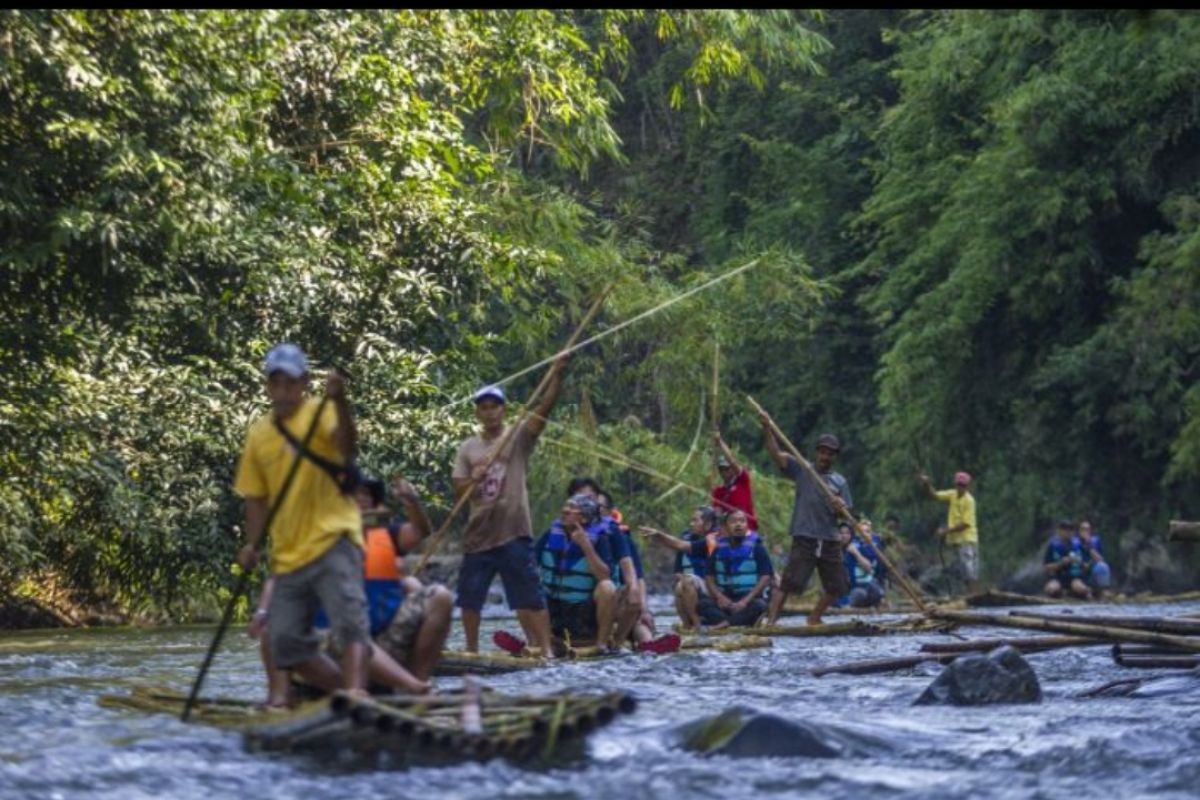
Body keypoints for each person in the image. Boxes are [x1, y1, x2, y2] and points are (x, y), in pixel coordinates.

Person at [235, 343, 369, 708]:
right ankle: (343, 692)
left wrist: (339, 400)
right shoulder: (260, 435)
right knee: (284, 642)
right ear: (267, 386)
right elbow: (255, 497)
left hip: (333, 536)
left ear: (304, 383)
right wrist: (252, 544)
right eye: (274, 383)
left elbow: (346, 448)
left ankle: (356, 690)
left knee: (348, 620)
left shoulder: (320, 413)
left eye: (289, 383)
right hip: (288, 551)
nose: (282, 391)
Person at [451, 356, 568, 656]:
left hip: (514, 532)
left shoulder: (517, 436)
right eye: (484, 407)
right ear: (478, 412)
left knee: (529, 594)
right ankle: (471, 649)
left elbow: (543, 411)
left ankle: (545, 650)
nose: (489, 412)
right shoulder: (468, 447)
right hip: (479, 535)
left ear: (504, 410)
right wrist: (473, 480)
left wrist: (556, 375)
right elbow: (459, 490)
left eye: (495, 406)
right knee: (469, 597)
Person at [759, 413, 852, 627]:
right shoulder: (803, 469)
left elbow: (847, 515)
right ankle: (771, 622)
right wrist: (767, 428)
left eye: (830, 453)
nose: (825, 456)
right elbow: (776, 454)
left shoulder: (839, 481)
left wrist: (840, 508)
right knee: (790, 582)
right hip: (805, 536)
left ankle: (814, 617)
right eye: (822, 452)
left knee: (838, 585)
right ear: (817, 452)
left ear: (834, 457)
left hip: (829, 539)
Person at [533, 494, 619, 652]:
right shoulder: (551, 533)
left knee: (607, 587)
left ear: (585, 518)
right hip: (553, 607)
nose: (565, 510)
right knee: (524, 584)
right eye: (566, 506)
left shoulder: (600, 538)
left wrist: (586, 546)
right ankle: (537, 641)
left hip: (583, 610)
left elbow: (604, 576)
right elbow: (530, 562)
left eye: (573, 508)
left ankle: (601, 644)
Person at [639, 505, 719, 629]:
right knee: (680, 586)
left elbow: (681, 545)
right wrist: (682, 580)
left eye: (695, 520)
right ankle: (687, 625)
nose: (691, 524)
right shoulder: (686, 536)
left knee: (687, 581)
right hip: (691, 584)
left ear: (708, 524)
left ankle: (697, 624)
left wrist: (659, 535)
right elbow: (678, 570)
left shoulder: (714, 539)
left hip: (713, 586)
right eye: (691, 520)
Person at [698, 510, 774, 628]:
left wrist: (744, 602)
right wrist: (720, 597)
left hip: (748, 599)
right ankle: (737, 621)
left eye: (742, 521)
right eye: (733, 521)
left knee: (760, 606)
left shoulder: (757, 548)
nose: (738, 524)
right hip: (725, 599)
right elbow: (709, 576)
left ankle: (725, 623)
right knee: (702, 604)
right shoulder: (717, 548)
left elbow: (765, 577)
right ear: (725, 527)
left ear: (746, 526)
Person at [919, 471, 980, 595]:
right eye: (958, 484)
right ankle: (969, 594)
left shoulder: (969, 500)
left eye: (962, 485)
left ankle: (974, 595)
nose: (960, 487)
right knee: (962, 570)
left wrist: (945, 531)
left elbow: (965, 524)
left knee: (969, 569)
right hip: (955, 540)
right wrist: (927, 484)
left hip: (967, 539)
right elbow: (934, 495)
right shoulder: (952, 494)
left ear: (967, 486)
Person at [711, 431, 758, 530]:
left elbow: (732, 461)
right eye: (722, 469)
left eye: (727, 468)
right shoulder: (718, 492)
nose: (725, 472)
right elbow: (717, 513)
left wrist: (720, 443)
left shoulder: (742, 480)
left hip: (748, 529)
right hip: (730, 533)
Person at [838, 522, 884, 608]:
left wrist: (856, 553)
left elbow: (870, 569)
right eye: (841, 533)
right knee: (859, 594)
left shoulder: (868, 547)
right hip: (848, 588)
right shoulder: (842, 548)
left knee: (875, 590)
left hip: (864, 584)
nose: (844, 536)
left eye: (867, 531)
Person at [1044, 519, 1090, 599]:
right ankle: (1058, 593)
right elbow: (1046, 566)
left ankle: (1078, 594)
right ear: (1060, 531)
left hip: (1074, 578)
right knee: (1051, 589)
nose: (1068, 532)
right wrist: (1061, 563)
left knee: (1082, 590)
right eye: (1065, 530)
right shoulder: (1053, 545)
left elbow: (1087, 566)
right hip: (1057, 577)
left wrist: (1079, 562)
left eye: (1070, 530)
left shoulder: (1079, 545)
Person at [1076, 519, 1111, 597]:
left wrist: (1089, 545)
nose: (1085, 532)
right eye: (1083, 529)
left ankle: (1102, 589)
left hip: (1093, 569)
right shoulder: (1074, 542)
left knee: (1102, 566)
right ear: (1079, 531)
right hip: (1079, 570)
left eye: (1087, 529)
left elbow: (1100, 559)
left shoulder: (1095, 541)